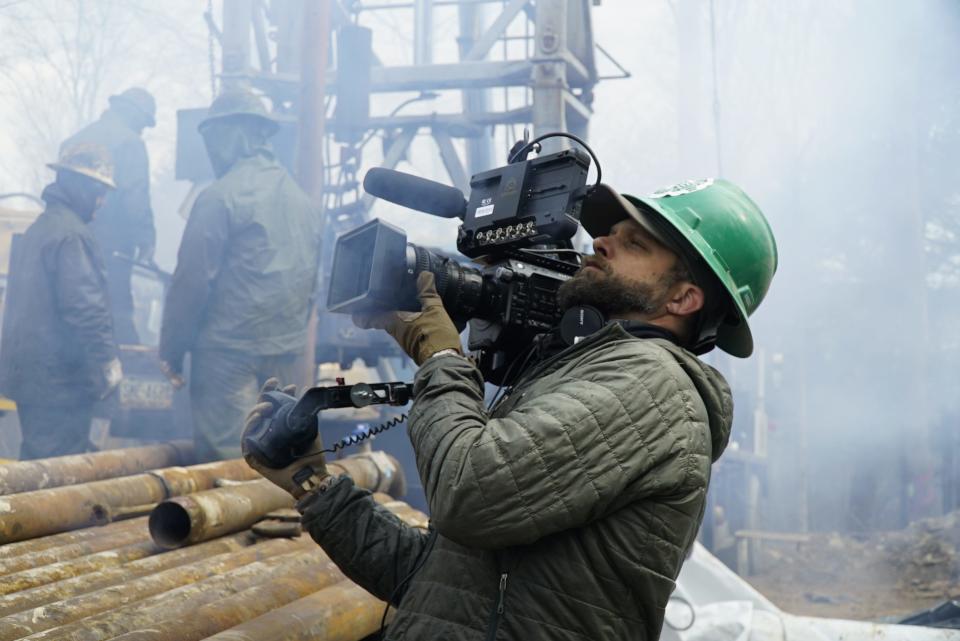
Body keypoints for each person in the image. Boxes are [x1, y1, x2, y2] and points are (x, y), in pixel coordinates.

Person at [243, 178, 778, 640]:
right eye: (610, 232)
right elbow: (436, 585)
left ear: (683, 299)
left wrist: (443, 359)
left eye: (634, 243)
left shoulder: (653, 385)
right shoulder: (577, 371)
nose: (601, 242)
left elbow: (470, 491)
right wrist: (314, 485)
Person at [159, 89, 321, 463]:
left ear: (233, 134)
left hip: (227, 355)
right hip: (285, 351)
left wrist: (171, 348)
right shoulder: (304, 204)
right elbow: (314, 282)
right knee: (278, 459)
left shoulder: (220, 197)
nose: (211, 150)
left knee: (230, 465)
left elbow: (191, 281)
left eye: (213, 138)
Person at [0, 144, 123, 460]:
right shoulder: (71, 235)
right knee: (56, 471)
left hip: (32, 380)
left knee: (37, 465)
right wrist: (107, 362)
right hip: (60, 384)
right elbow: (86, 308)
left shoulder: (39, 229)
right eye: (98, 190)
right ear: (79, 185)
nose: (102, 200)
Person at [61, 87, 157, 344]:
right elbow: (135, 196)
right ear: (135, 115)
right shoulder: (130, 143)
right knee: (116, 306)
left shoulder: (74, 141)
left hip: (68, 241)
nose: (142, 131)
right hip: (111, 244)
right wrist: (146, 240)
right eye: (144, 123)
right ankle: (126, 357)